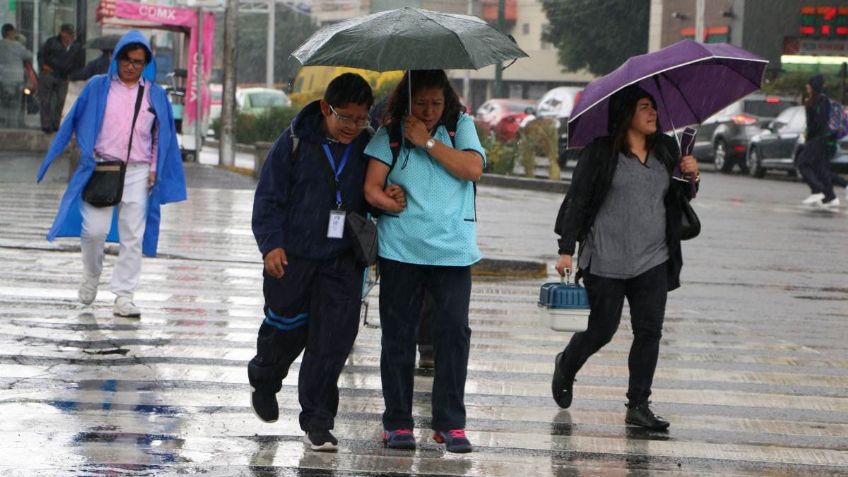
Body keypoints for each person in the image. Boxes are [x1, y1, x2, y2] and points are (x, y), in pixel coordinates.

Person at [249, 73, 404, 453]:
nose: (353, 126)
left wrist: (387, 194)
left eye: (360, 118)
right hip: (293, 258)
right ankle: (265, 378)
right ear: (325, 108)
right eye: (345, 117)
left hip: (341, 261)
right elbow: (268, 199)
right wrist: (271, 246)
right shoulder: (294, 142)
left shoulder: (368, 146)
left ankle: (318, 422)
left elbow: (369, 197)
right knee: (285, 332)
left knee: (331, 343)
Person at [551, 84, 699, 431]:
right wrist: (565, 249)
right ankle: (567, 364)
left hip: (653, 257)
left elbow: (680, 197)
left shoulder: (666, 148)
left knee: (649, 331)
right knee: (602, 329)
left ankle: (638, 405)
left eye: (654, 108)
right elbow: (578, 200)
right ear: (626, 113)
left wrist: (691, 175)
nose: (653, 114)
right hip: (606, 256)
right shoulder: (601, 152)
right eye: (644, 107)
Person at [363, 69, 485, 453]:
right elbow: (371, 188)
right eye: (421, 103)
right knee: (398, 336)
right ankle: (397, 422)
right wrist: (389, 201)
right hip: (401, 250)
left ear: (446, 100)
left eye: (437, 103)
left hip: (453, 252)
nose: (430, 110)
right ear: (408, 100)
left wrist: (428, 141)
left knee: (454, 335)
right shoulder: (391, 134)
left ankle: (450, 423)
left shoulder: (461, 126)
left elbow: (472, 168)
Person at [36, 31, 187, 318]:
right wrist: (77, 152)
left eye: (138, 62)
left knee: (133, 236)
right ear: (116, 58)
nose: (131, 66)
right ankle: (92, 274)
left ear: (146, 64)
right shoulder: (97, 87)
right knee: (94, 230)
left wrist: (155, 169)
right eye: (127, 60)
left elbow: (161, 136)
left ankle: (124, 295)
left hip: (139, 173)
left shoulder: (155, 94)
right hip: (102, 168)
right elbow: (74, 120)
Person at [797, 75, 840, 209]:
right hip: (817, 138)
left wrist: (809, 133)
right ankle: (830, 197)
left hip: (817, 139)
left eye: (809, 84)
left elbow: (818, 122)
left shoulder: (821, 100)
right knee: (820, 168)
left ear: (814, 86)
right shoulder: (813, 100)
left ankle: (817, 190)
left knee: (802, 163)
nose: (806, 86)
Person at [37, 23, 84, 133]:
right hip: (49, 73)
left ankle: (56, 124)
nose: (70, 37)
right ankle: (46, 125)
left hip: (64, 76)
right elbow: (41, 55)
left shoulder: (76, 46)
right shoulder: (51, 42)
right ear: (62, 33)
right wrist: (43, 66)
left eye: (72, 34)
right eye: (68, 34)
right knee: (45, 100)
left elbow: (79, 63)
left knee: (60, 100)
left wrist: (72, 75)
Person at [0, 24, 33, 128]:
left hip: (2, 78)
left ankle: (3, 125)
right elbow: (29, 55)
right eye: (14, 32)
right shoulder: (17, 45)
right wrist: (21, 40)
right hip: (16, 78)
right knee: (16, 105)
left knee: (3, 104)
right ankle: (14, 125)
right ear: (9, 33)